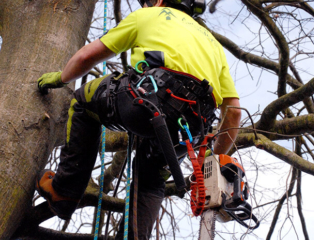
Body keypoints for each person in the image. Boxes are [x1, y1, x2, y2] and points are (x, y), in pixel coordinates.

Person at [36, 0, 241, 238]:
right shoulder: (213, 44)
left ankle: (64, 192)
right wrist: (212, 160)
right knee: (152, 181)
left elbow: (85, 58)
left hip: (149, 100)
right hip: (189, 127)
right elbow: (234, 112)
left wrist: (61, 78)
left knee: (83, 103)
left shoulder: (149, 15)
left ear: (158, 1)